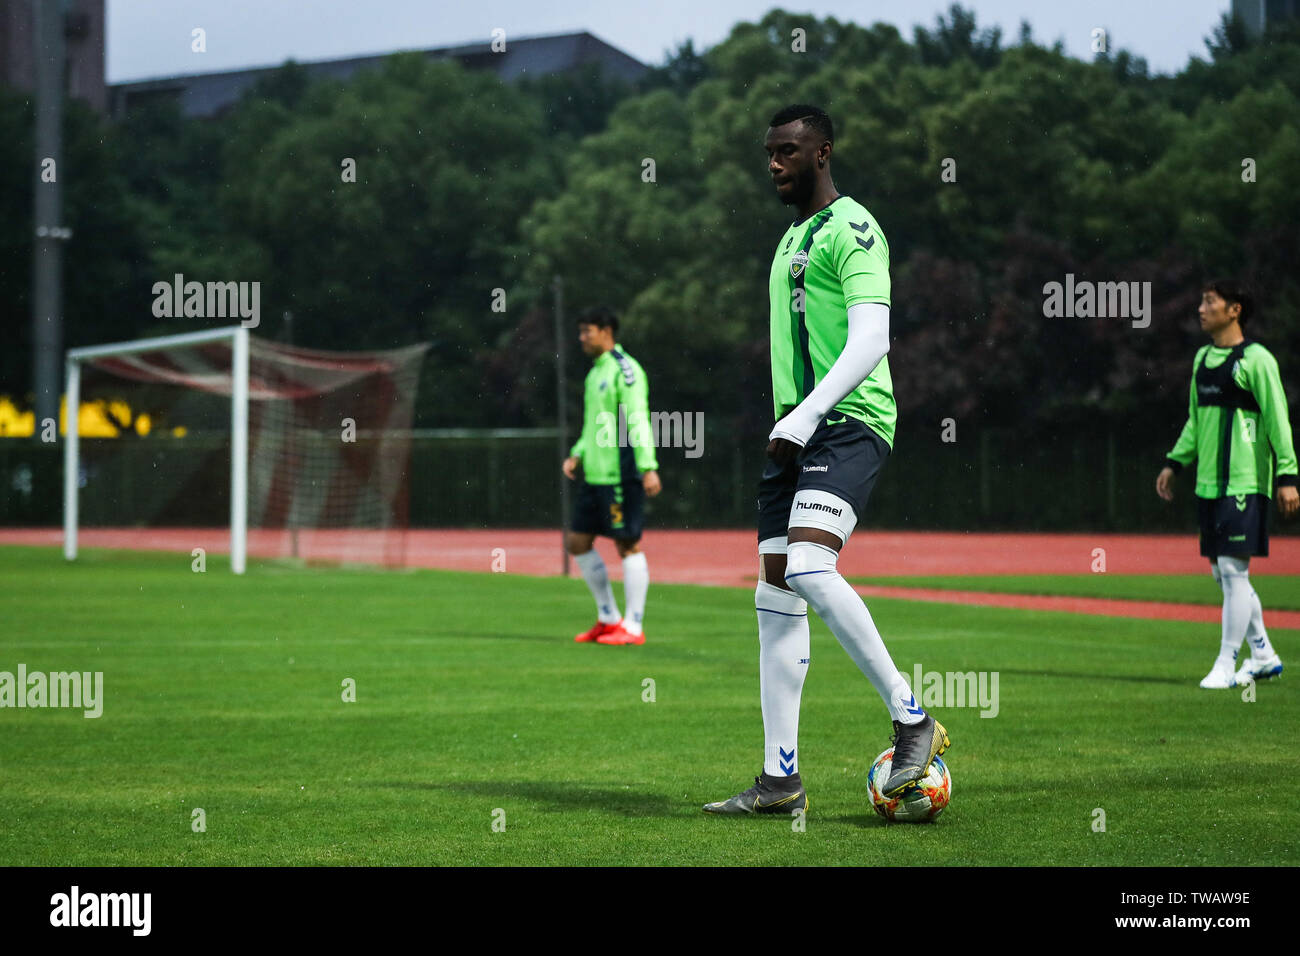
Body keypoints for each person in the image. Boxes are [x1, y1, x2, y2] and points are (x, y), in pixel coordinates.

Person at [704, 105, 947, 815]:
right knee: (775, 598)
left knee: (811, 567)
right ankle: (780, 780)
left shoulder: (855, 228)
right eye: (768, 153)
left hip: (846, 423)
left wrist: (809, 412)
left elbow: (873, 337)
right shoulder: (788, 242)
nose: (774, 163)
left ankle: (912, 720)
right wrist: (792, 421)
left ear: (823, 152)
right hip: (795, 434)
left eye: (788, 151)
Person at [1156, 280, 1297, 688]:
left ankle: (1226, 664)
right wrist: (1174, 463)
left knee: (1235, 571)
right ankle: (1264, 653)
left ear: (1234, 310)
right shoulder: (1202, 358)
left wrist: (1287, 475)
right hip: (1209, 484)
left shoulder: (1256, 360)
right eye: (1201, 301)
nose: (1201, 308)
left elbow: (1277, 419)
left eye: (1210, 302)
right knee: (1223, 574)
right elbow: (1196, 422)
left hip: (1245, 482)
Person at [563, 307, 662, 647]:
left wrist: (648, 466)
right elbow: (595, 424)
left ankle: (633, 627)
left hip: (620, 473)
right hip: (594, 474)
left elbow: (637, 419)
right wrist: (578, 452)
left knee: (627, 544)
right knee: (577, 542)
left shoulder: (626, 370)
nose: (582, 338)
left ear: (606, 331)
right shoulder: (595, 373)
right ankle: (608, 618)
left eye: (586, 331)